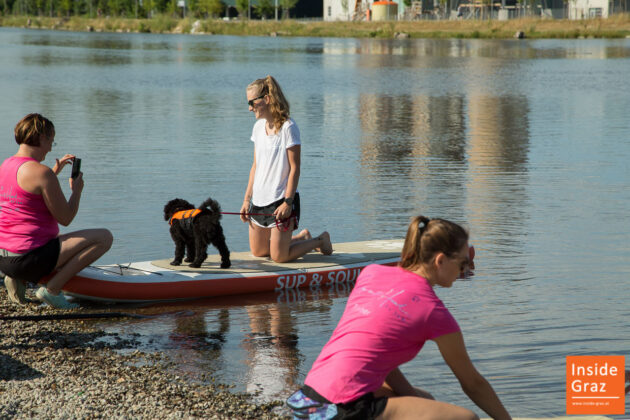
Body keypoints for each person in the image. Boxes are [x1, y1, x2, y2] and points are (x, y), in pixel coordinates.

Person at [288, 216, 512, 420]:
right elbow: (472, 384)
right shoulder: (433, 311)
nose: (464, 270)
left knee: (425, 401)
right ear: (440, 261)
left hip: (308, 399)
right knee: (466, 419)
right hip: (340, 409)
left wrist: (419, 401)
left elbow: (381, 362)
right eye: (462, 263)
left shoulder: (371, 273)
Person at [0, 113, 113, 309]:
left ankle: (16, 279)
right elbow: (66, 218)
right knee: (104, 237)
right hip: (28, 260)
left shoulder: (6, 164)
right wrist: (76, 192)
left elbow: (24, 196)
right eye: (51, 141)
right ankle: (51, 289)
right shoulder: (41, 173)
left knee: (35, 232)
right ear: (42, 138)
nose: (52, 146)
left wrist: (53, 173)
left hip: (4, 258)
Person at [240, 76, 332, 263]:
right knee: (259, 252)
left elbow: (295, 168)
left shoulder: (289, 128)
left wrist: (288, 202)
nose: (250, 108)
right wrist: (246, 200)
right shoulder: (258, 128)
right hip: (259, 202)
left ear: (266, 99)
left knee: (279, 257)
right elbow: (255, 166)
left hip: (281, 201)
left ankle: (321, 240)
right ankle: (302, 238)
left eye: (252, 102)